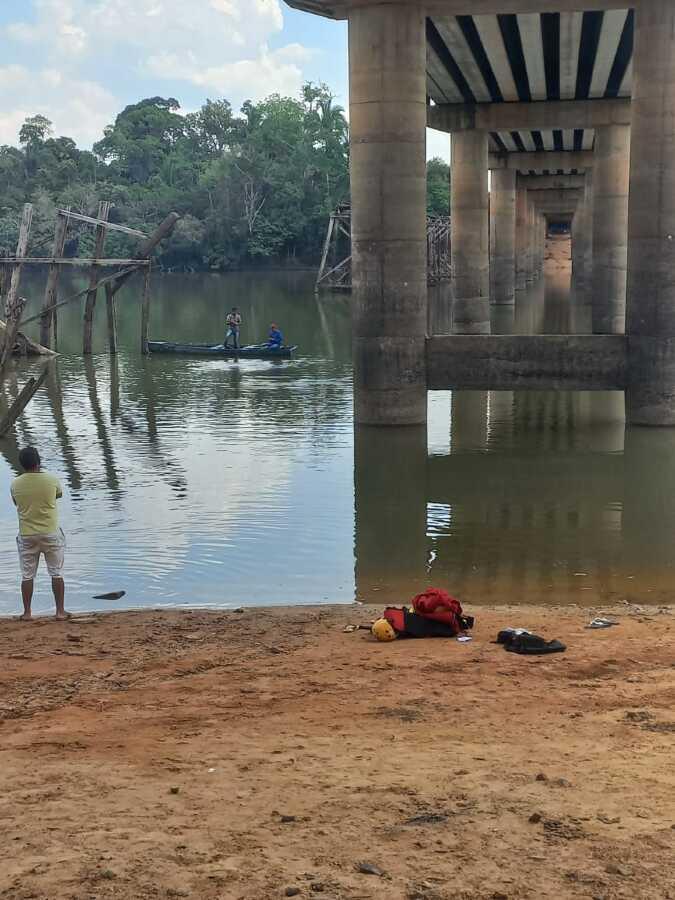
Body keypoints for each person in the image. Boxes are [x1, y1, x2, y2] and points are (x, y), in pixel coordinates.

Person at [10, 447, 67, 621]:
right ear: (39, 461)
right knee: (56, 572)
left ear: (22, 464)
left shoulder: (15, 484)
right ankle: (60, 612)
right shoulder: (51, 479)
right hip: (50, 532)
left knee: (27, 575)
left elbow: (15, 502)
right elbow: (58, 495)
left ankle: (27, 613)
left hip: (27, 534)